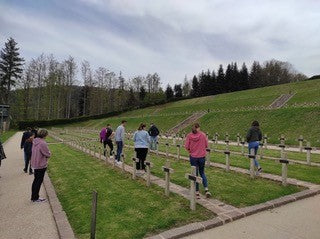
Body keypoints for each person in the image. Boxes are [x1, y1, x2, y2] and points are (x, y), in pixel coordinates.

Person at [185, 123, 211, 199]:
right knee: (202, 172)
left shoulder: (189, 136)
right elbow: (206, 145)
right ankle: (206, 189)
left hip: (193, 157)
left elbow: (186, 146)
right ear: (198, 128)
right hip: (202, 157)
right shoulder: (203, 135)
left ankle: (197, 192)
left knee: (195, 175)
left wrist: (190, 151)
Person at [30, 129, 51, 203]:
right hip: (40, 164)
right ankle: (35, 198)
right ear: (44, 135)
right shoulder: (42, 143)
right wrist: (49, 153)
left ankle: (34, 197)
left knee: (36, 180)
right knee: (38, 181)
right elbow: (47, 154)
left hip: (35, 163)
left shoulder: (35, 141)